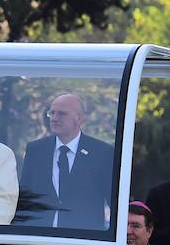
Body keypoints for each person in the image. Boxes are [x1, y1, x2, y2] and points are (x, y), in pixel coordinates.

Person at [18, 93, 114, 230]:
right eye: (52, 113)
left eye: (62, 114)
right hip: (39, 237)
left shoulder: (102, 152)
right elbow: (25, 196)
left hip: (84, 240)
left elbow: (113, 200)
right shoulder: (36, 149)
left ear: (79, 119)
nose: (54, 118)